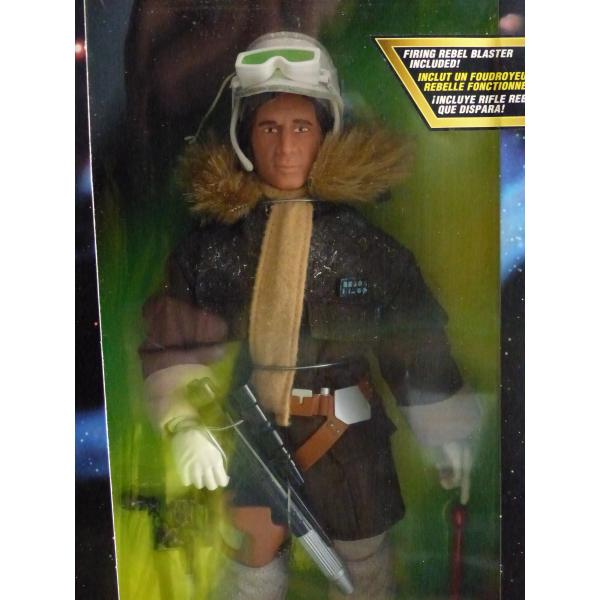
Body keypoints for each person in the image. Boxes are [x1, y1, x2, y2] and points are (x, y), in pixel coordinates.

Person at [139, 31, 480, 599]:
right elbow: (174, 340)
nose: (286, 147)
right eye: (269, 128)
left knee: (365, 571)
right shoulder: (214, 249)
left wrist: (443, 425)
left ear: (327, 133)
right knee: (251, 573)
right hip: (254, 436)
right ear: (244, 135)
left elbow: (412, 336)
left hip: (350, 441)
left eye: (302, 128)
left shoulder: (363, 247)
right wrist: (183, 422)